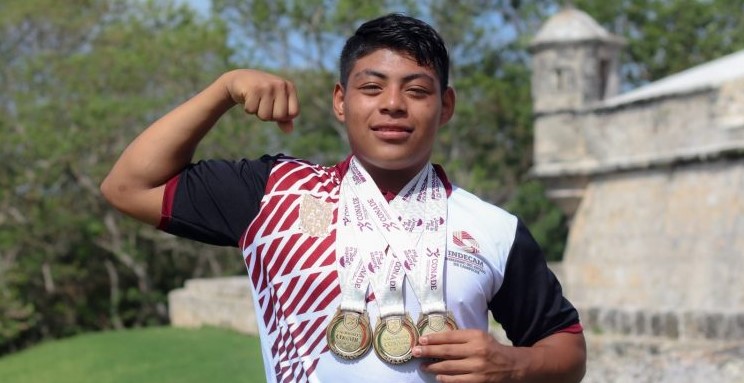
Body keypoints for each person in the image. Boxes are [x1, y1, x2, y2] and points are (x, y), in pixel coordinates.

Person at [100, 13, 586, 383]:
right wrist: (222, 91)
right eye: (371, 87)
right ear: (340, 101)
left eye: (416, 90)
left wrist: (514, 364)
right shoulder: (274, 192)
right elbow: (128, 187)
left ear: (446, 106)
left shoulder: (493, 228)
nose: (392, 103)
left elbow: (567, 348)